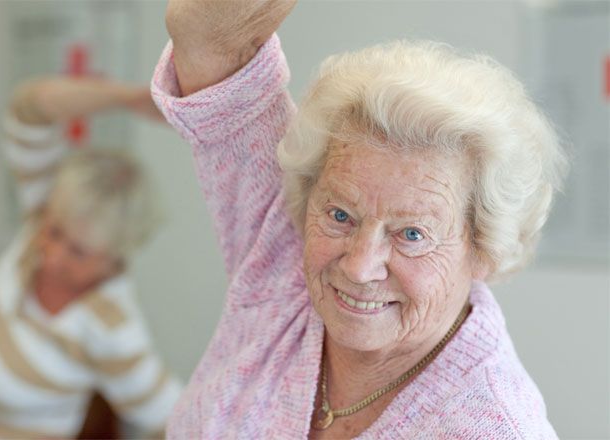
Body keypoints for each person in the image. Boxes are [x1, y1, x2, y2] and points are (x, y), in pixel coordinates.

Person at [152, 1, 568, 439]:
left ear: (483, 248)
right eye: (340, 215)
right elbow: (216, 55)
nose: (357, 266)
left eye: (411, 234)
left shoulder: (493, 429)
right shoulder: (283, 258)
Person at [0, 76, 182, 439]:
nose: (52, 255)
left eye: (78, 251)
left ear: (114, 256)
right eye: (55, 231)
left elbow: (176, 420)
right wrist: (126, 98)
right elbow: (28, 111)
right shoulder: (40, 217)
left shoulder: (112, 327)